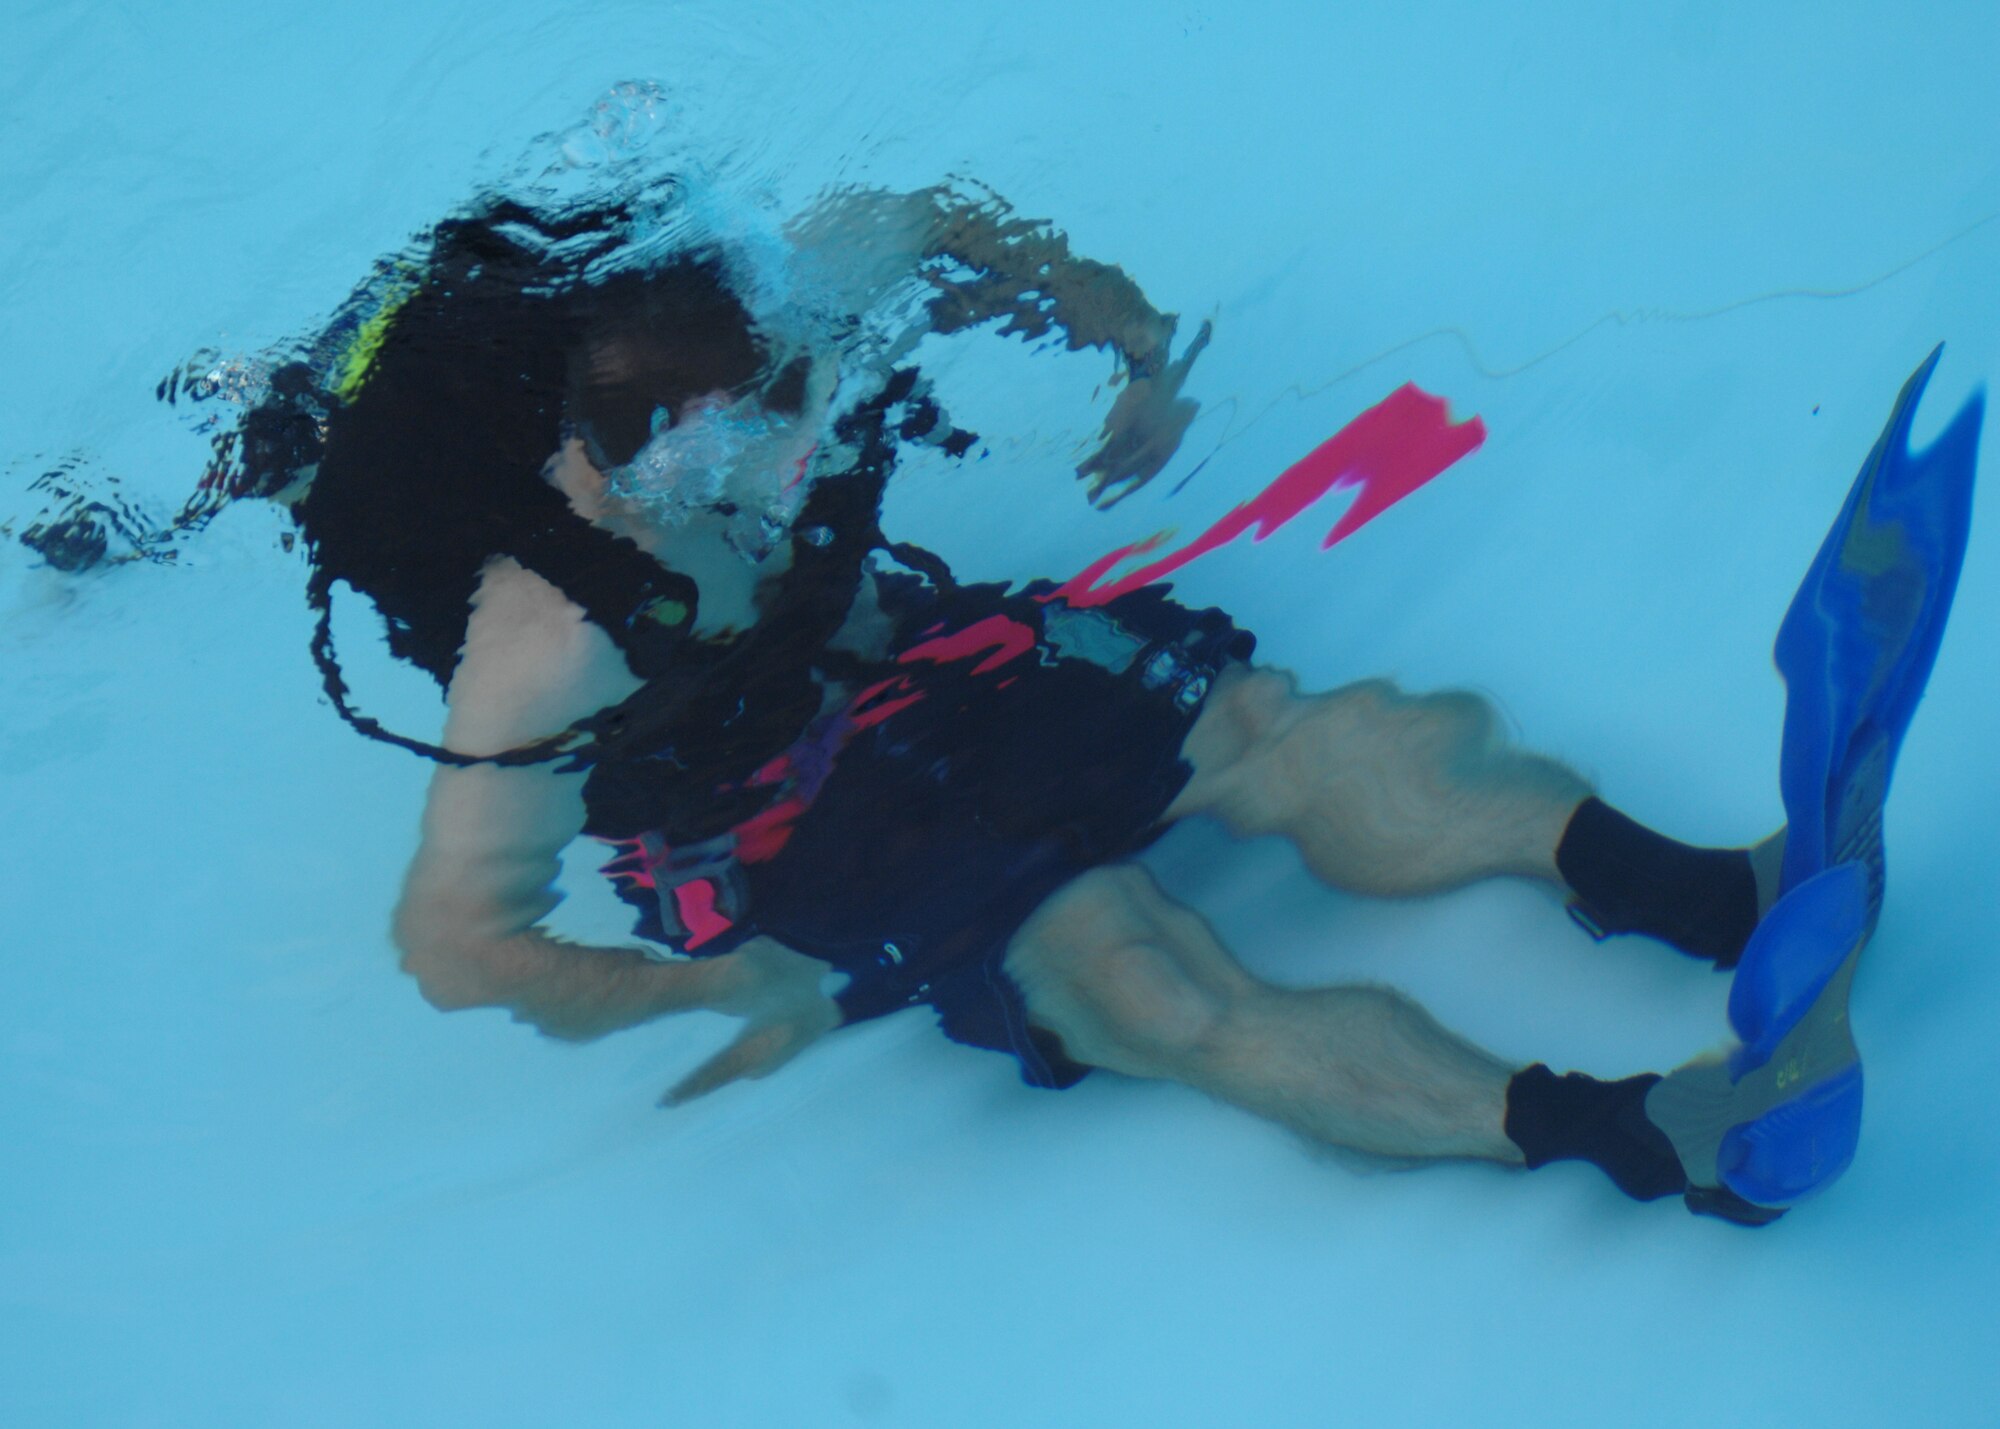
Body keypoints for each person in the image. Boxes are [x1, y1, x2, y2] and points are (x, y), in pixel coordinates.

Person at [44, 177, 1983, 1229]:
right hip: (744, 806)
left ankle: (1707, 889)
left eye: (799, 407)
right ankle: (1646, 1134)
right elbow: (456, 938)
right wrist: (713, 987)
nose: (802, 451)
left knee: (1330, 737)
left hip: (897, 650)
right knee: (1131, 975)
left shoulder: (793, 311)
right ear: (631, 478)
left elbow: (968, 229)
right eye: (745, 456)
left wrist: (1138, 353)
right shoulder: (537, 642)